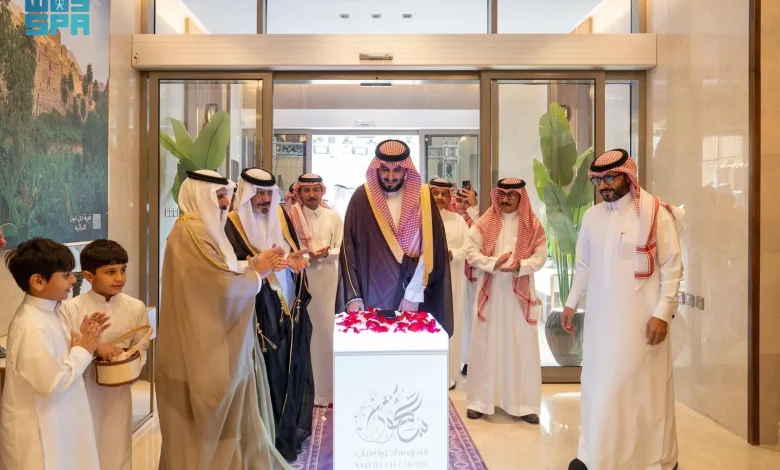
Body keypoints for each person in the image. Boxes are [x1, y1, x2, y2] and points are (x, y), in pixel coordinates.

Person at [157, 169, 288, 470]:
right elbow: (220, 285)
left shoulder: (202, 229)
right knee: (204, 420)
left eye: (225, 196)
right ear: (199, 196)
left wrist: (253, 265)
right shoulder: (191, 231)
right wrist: (258, 273)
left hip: (211, 339)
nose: (225, 203)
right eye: (218, 196)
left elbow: (221, 270)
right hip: (203, 345)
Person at [561, 149, 683, 470]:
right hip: (601, 323)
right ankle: (594, 455)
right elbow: (584, 266)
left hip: (641, 324)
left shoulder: (655, 214)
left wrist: (662, 313)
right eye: (598, 180)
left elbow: (672, 267)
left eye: (610, 178)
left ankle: (654, 460)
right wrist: (571, 303)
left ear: (628, 176)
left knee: (642, 392)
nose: (604, 185)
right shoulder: (592, 217)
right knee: (598, 388)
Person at [225, 168, 314, 461]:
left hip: (288, 307)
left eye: (268, 194)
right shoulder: (232, 225)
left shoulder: (281, 216)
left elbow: (288, 256)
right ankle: (262, 440)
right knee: (268, 373)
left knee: (290, 367)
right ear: (246, 193)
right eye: (259, 193)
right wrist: (257, 264)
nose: (265, 200)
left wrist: (294, 263)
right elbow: (227, 268)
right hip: (257, 313)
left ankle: (284, 434)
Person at [1, 238, 109, 470]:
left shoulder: (53, 310)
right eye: (66, 274)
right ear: (38, 281)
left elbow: (63, 359)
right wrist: (83, 349)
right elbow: (50, 383)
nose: (73, 280)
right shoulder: (31, 325)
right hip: (38, 435)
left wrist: (82, 341)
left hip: (60, 419)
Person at [336, 139, 454, 336]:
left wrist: (413, 294)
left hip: (413, 295)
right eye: (385, 169)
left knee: (407, 347)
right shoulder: (362, 197)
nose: (390, 176)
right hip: (369, 294)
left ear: (406, 169)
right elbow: (348, 250)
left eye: (397, 170)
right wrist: (353, 296)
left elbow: (431, 249)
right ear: (376, 168)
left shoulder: (423, 197)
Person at [58, 239, 150, 470]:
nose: (119, 278)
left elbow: (141, 348)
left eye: (123, 270)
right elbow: (64, 351)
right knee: (84, 449)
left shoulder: (136, 307)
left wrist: (125, 362)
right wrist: (94, 347)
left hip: (118, 394)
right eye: (110, 272)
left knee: (117, 449)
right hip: (83, 391)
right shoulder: (70, 308)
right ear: (88, 276)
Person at [465, 178, 546, 424]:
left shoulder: (532, 225)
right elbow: (470, 252)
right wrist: (492, 263)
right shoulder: (485, 222)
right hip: (490, 294)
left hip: (519, 296)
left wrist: (521, 265)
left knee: (521, 346)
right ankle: (479, 402)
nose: (506, 199)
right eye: (502, 194)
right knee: (485, 345)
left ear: (521, 198)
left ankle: (524, 404)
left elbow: (541, 257)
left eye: (512, 195)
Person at [288, 173, 343, 406]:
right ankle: (306, 393)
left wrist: (325, 254)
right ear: (299, 193)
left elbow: (342, 246)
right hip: (302, 280)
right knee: (304, 333)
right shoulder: (291, 217)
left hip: (329, 282)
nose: (311, 195)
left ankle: (327, 392)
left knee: (327, 333)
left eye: (316, 190)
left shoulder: (333, 216)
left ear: (322, 192)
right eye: (306, 190)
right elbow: (288, 249)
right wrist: (309, 256)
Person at [430, 178, 471, 390]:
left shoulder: (458, 220)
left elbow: (468, 248)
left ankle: (449, 374)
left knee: (450, 322)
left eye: (443, 194)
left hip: (453, 278)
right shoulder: (420, 217)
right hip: (427, 281)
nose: (439, 197)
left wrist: (452, 255)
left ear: (449, 197)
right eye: (435, 193)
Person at [453, 186, 480, 376]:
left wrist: (474, 208)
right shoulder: (451, 220)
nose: (462, 204)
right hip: (454, 274)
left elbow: (483, 236)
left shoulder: (476, 220)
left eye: (466, 201)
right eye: (459, 200)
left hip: (473, 277)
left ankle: (472, 360)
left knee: (471, 318)